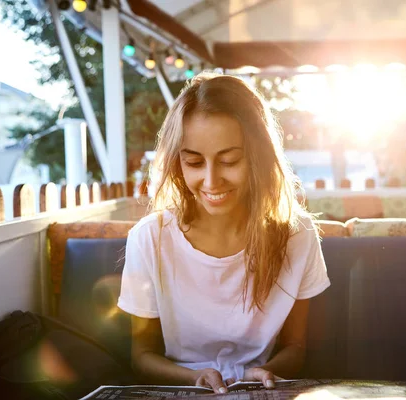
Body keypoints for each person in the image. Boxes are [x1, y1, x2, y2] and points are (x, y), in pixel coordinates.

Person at [117, 72, 330, 394]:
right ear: (178, 164)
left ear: (258, 157)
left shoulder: (297, 234)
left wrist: (264, 372)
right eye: (194, 162)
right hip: (183, 390)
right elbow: (141, 356)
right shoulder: (149, 237)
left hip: (261, 389)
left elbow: (296, 347)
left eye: (229, 160)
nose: (212, 181)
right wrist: (194, 378)